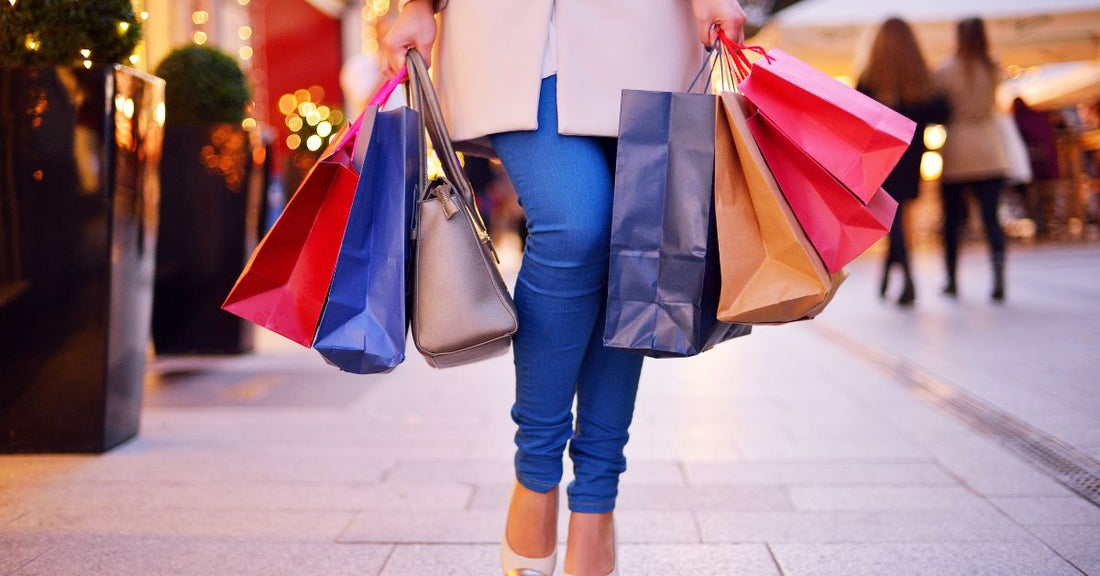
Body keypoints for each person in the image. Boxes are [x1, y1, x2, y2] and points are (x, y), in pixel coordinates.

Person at [382, 1, 747, 575]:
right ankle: (536, 471)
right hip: (506, 27)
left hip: (646, 29)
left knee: (635, 242)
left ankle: (597, 502)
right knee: (577, 223)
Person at [857, 18, 949, 306]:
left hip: (880, 156)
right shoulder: (920, 77)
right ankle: (889, 276)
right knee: (897, 216)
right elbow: (941, 112)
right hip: (912, 156)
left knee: (892, 218)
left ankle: (906, 277)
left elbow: (857, 113)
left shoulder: (869, 77)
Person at [934, 17, 1010, 301]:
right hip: (990, 147)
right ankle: (998, 273)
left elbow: (938, 106)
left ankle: (952, 278)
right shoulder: (992, 67)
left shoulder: (945, 70)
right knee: (992, 218)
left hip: (958, 148)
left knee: (953, 220)